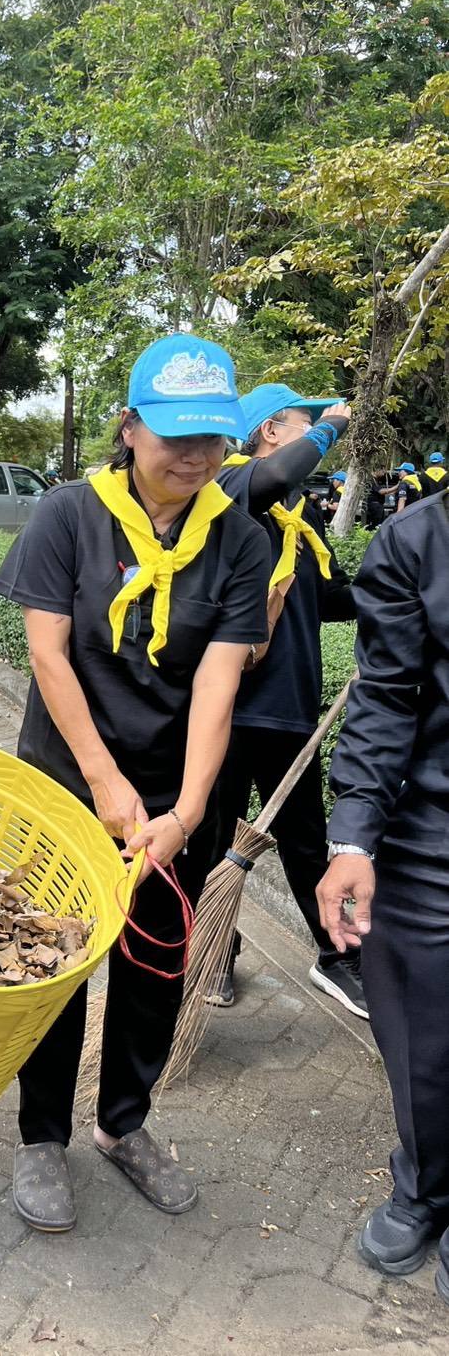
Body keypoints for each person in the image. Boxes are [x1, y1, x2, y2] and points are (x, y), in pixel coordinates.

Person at [0, 333, 270, 1229]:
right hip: (66, 781)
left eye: (212, 437)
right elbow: (49, 655)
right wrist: (106, 784)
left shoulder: (239, 539)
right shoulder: (69, 515)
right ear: (129, 426)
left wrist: (184, 812)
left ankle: (123, 1122)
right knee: (56, 955)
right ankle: (42, 1135)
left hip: (172, 794)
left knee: (153, 962)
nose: (195, 454)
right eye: (175, 434)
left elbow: (219, 685)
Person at [315, 479, 449, 1302]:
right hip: (432, 825)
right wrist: (354, 835)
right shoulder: (416, 542)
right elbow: (386, 695)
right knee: (419, 1031)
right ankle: (425, 1183)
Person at [206, 385, 361, 1012]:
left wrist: (402, 592)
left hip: (289, 707)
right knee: (210, 840)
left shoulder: (302, 512)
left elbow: (329, 598)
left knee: (305, 842)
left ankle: (338, 957)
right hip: (224, 708)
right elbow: (274, 475)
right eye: (303, 421)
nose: (315, 431)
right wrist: (335, 425)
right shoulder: (231, 488)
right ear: (270, 430)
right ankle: (214, 950)